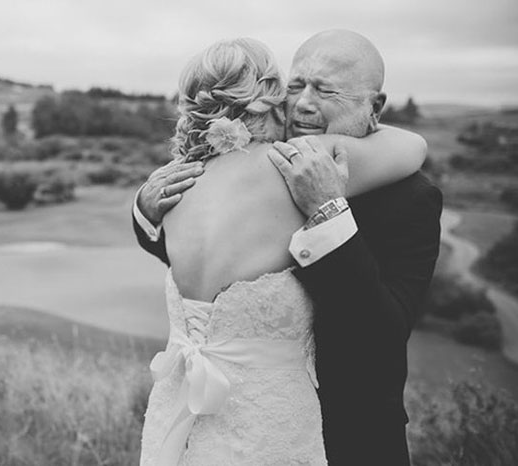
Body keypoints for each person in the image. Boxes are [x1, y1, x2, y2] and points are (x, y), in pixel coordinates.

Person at [136, 35, 436, 465]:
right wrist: (145, 209)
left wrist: (328, 214)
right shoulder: (261, 170)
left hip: (353, 438)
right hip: (236, 424)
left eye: (326, 91)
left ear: (375, 107)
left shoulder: (411, 197)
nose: (304, 104)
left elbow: (382, 337)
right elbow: (185, 261)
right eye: (295, 86)